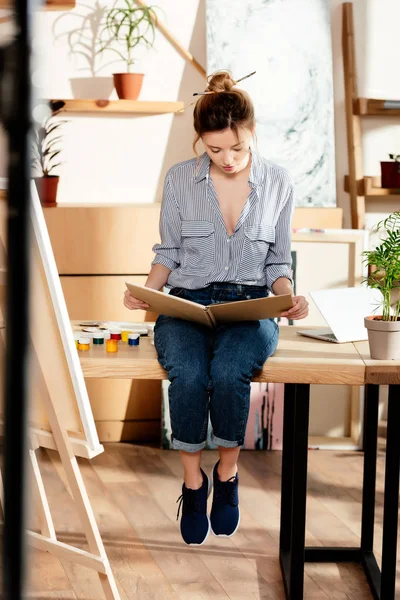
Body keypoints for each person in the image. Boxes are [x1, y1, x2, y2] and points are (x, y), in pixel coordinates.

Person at [123, 70, 309, 546]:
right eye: (214, 149)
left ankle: (227, 475)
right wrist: (148, 293)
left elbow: (277, 260)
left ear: (252, 133)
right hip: (186, 303)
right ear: (200, 141)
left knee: (228, 372)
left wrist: (287, 299)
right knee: (186, 372)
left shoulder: (279, 182)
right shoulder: (180, 180)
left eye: (237, 149)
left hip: (250, 307)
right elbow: (167, 253)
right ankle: (193, 482)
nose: (226, 160)